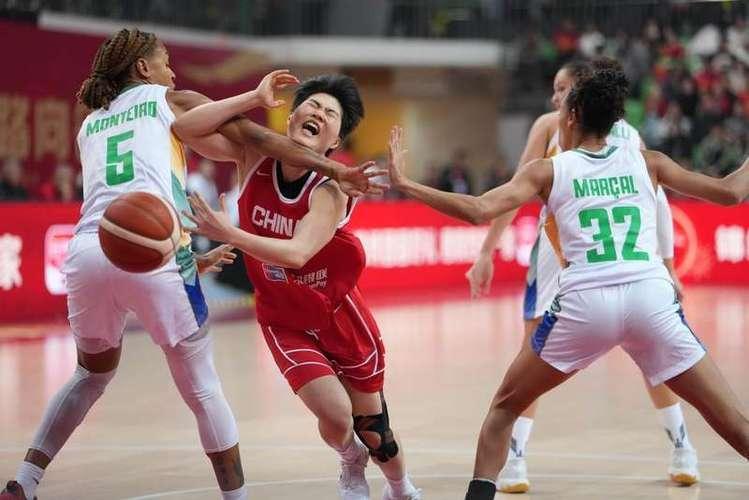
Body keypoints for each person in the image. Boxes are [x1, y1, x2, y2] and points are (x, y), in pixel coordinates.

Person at [1, 28, 381, 500]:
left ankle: (26, 479)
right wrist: (333, 165)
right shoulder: (167, 98)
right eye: (165, 62)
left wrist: (190, 256)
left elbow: (129, 213)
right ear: (144, 68)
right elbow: (254, 136)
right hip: (156, 261)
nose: (173, 72)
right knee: (203, 388)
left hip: (88, 253)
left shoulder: (90, 122)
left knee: (90, 374)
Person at [386, 68, 749, 500]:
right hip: (650, 299)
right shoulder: (647, 160)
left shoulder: (549, 170)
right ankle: (684, 449)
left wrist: (406, 184)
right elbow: (731, 193)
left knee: (504, 409)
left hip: (584, 304)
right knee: (729, 419)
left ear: (572, 116)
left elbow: (479, 209)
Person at [173, 74, 420, 500]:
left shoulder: (331, 189)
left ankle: (400, 488)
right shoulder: (252, 155)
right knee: (336, 416)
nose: (319, 113)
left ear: (334, 141)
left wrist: (230, 233)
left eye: (330, 114)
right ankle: (349, 460)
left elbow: (297, 253)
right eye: (313, 105)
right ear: (290, 117)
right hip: (284, 317)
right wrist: (251, 97)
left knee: (376, 433)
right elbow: (185, 125)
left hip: (336, 312)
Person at [464, 59, 694, 493]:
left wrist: (668, 266)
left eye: (562, 89)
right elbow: (513, 194)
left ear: (582, 95)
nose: (554, 97)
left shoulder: (626, 138)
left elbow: (659, 203)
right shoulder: (549, 126)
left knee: (650, 354)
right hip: (557, 256)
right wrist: (487, 251)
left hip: (609, 259)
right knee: (531, 353)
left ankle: (682, 445)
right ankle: (515, 457)